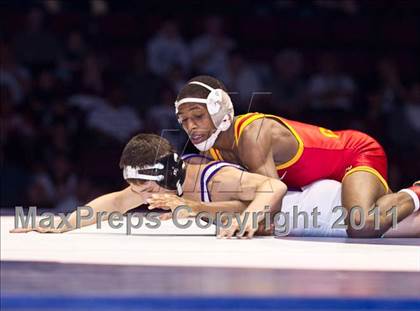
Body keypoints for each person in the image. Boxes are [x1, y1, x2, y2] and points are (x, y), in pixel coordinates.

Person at [11, 134, 419, 238]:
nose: (139, 194)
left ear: (166, 173)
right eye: (134, 185)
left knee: (373, 222)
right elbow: (111, 204)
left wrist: (199, 211)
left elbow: (272, 192)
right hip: (303, 226)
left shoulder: (210, 176)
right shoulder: (157, 184)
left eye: (143, 186)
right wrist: (58, 225)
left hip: (318, 210)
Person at [174, 75, 420, 238]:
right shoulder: (211, 148)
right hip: (325, 175)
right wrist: (200, 209)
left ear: (220, 110)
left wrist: (208, 211)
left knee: (363, 225)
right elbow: (249, 203)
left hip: (356, 153)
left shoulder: (252, 135)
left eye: (198, 116)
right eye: (184, 120)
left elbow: (270, 210)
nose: (191, 126)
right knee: (393, 221)